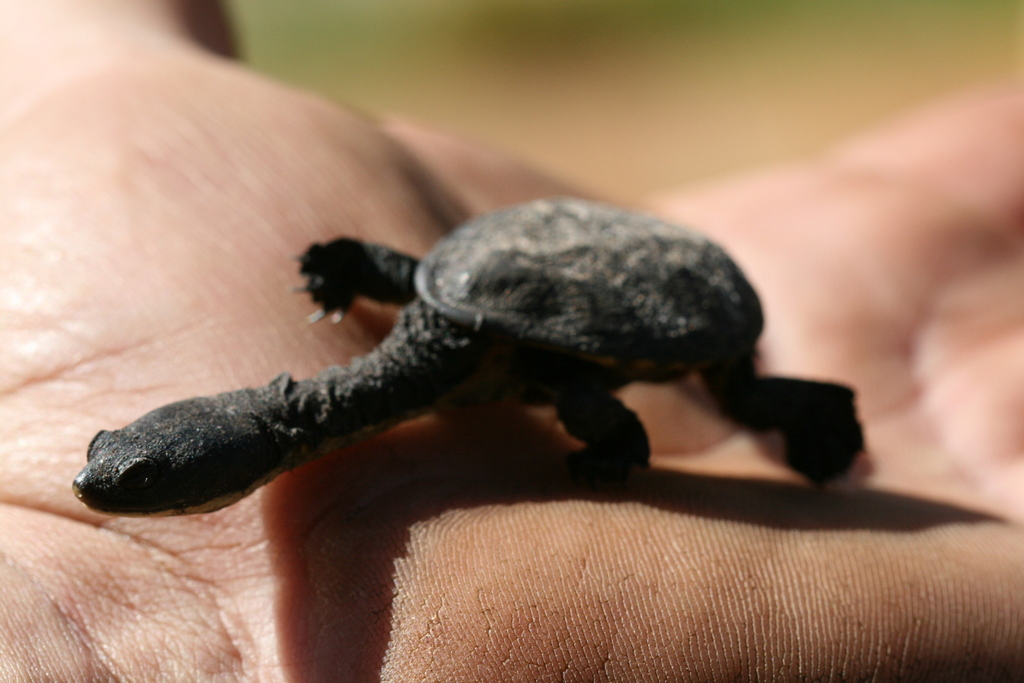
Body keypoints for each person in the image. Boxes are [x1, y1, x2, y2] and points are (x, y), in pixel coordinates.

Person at [1, 1, 1022, 679]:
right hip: (518, 273)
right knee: (465, 301)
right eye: (130, 471)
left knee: (744, 397)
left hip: (681, 298)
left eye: (139, 479)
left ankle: (822, 422)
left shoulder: (468, 322)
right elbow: (394, 274)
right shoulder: (439, 304)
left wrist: (611, 448)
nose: (107, 485)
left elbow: (593, 397)